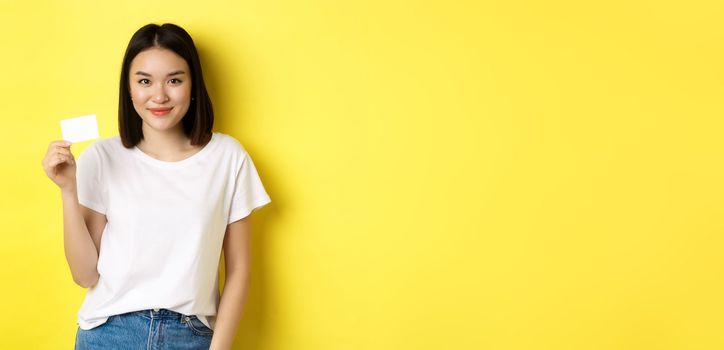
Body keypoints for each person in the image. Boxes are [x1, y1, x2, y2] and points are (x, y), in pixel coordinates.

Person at [41, 23, 271, 350]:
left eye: (174, 80)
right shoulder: (102, 157)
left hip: (190, 335)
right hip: (109, 335)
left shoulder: (227, 157)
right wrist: (67, 189)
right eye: (144, 81)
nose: (159, 95)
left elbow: (240, 270)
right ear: (129, 89)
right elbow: (85, 275)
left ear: (193, 86)